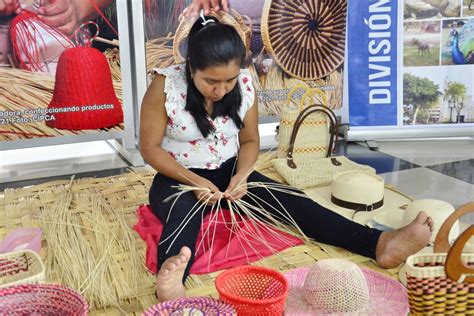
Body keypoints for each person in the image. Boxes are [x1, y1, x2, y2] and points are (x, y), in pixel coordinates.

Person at [139, 15, 435, 302]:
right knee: (184, 212)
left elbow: (250, 140)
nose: (221, 90)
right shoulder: (165, 87)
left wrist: (242, 176)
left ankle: (378, 243)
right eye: (211, 81)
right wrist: (194, 180)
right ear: (191, 67)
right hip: (178, 176)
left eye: (228, 80)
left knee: (293, 200)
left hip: (230, 171)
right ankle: (173, 277)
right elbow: (150, 148)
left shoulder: (242, 84)